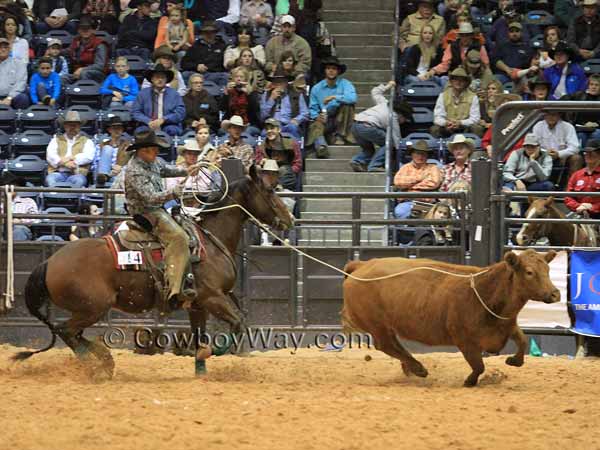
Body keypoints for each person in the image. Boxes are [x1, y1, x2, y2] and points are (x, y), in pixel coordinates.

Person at [123, 128, 200, 312]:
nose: (157, 152)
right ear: (143, 151)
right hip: (146, 213)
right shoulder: (134, 171)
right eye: (153, 149)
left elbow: (166, 170)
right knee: (178, 237)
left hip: (157, 209)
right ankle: (174, 291)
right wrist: (174, 192)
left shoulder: (152, 161)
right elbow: (150, 198)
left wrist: (186, 170)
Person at [306, 56, 357, 158]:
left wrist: (335, 97)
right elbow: (312, 108)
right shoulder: (317, 88)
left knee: (347, 105)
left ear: (338, 71)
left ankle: (340, 136)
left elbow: (353, 98)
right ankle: (321, 146)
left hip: (341, 117)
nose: (331, 71)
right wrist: (317, 116)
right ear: (325, 71)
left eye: (334, 69)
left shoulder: (345, 83)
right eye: (328, 68)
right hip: (326, 118)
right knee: (316, 124)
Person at [350, 80, 403, 172]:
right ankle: (374, 165)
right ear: (401, 115)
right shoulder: (393, 116)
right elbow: (396, 139)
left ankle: (357, 161)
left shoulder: (384, 103)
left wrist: (388, 85)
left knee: (368, 149)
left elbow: (375, 92)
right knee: (389, 143)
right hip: (367, 126)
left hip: (355, 125)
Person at [132, 63, 186, 136]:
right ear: (152, 79)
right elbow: (135, 112)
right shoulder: (142, 94)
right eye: (157, 77)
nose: (160, 80)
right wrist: (148, 121)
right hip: (147, 124)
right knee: (141, 131)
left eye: (162, 77)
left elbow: (180, 112)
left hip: (169, 124)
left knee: (172, 130)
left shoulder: (174, 94)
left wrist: (164, 119)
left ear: (166, 80)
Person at [393, 140, 443, 218]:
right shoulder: (405, 168)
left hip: (428, 203)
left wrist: (409, 186)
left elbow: (434, 183)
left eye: (423, 154)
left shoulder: (433, 167)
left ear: (427, 156)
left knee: (437, 214)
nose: (420, 157)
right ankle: (407, 230)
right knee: (399, 212)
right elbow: (398, 182)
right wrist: (421, 178)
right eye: (418, 153)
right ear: (412, 154)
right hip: (408, 202)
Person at [45, 110, 96, 187]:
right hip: (58, 173)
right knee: (50, 179)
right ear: (65, 126)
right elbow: (51, 156)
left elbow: (88, 157)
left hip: (77, 173)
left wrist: (72, 159)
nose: (72, 127)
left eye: (75, 125)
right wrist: (66, 163)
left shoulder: (87, 141)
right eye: (70, 125)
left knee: (79, 181)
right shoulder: (56, 139)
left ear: (79, 126)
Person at [431, 67, 482, 138]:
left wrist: (461, 123)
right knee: (435, 129)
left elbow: (475, 118)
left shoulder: (473, 97)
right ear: (451, 81)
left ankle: (475, 147)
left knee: (477, 128)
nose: (458, 82)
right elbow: (437, 117)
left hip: (465, 127)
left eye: (462, 80)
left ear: (466, 82)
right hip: (448, 127)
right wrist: (446, 123)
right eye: (455, 79)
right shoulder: (443, 95)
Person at [532, 111, 584, 181]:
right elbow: (533, 145)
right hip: (543, 156)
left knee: (577, 158)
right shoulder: (538, 126)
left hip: (563, 157)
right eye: (548, 114)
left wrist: (559, 154)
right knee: (531, 156)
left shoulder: (568, 126)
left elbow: (575, 147)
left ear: (559, 115)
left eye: (554, 114)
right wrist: (546, 153)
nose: (551, 117)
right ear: (544, 115)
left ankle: (571, 187)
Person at [254, 118, 302, 191]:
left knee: (284, 170)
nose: (269, 131)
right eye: (267, 129)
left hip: (287, 178)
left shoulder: (291, 143)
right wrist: (261, 162)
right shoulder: (261, 146)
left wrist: (286, 172)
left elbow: (298, 163)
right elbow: (257, 162)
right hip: (268, 176)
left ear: (279, 130)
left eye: (272, 128)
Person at [259, 70, 309, 140]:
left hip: (288, 124)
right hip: (272, 126)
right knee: (263, 133)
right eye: (276, 82)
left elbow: (305, 113)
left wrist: (296, 120)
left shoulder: (296, 94)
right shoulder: (266, 94)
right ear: (273, 84)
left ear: (286, 83)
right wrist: (271, 99)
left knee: (293, 128)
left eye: (281, 82)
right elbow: (262, 116)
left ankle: (297, 150)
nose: (278, 85)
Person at [180, 21, 229, 88]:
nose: (209, 35)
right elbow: (184, 63)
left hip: (215, 74)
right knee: (185, 74)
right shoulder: (195, 47)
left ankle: (222, 94)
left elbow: (226, 64)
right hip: (197, 74)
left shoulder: (222, 46)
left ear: (215, 33)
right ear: (202, 34)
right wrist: (196, 66)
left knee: (225, 76)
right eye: (206, 32)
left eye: (211, 32)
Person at [64, 15, 109, 84]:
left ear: (92, 30)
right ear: (78, 30)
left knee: (85, 73)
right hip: (77, 73)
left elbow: (100, 65)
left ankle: (85, 94)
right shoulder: (76, 41)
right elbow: (68, 51)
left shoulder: (99, 44)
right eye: (82, 28)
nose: (85, 30)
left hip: (96, 74)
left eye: (88, 28)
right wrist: (53, 52)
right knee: (62, 78)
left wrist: (82, 69)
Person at [221, 67, 262, 135]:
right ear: (233, 78)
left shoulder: (252, 92)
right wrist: (226, 94)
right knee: (222, 131)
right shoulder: (229, 91)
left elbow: (256, 109)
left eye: (241, 77)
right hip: (231, 123)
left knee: (244, 133)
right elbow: (222, 108)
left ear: (245, 79)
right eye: (236, 76)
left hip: (249, 124)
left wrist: (249, 94)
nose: (239, 79)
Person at [565, 139, 600, 219]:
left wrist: (593, 207)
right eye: (586, 153)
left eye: (591, 152)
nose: (588, 155)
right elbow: (568, 197)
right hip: (579, 214)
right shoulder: (576, 175)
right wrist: (579, 206)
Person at [564, 74, 600, 146]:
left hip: (597, 128)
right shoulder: (579, 95)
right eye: (591, 84)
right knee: (581, 135)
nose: (593, 87)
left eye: (596, 85)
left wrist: (597, 124)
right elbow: (564, 98)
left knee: (597, 134)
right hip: (580, 128)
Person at [95, 116, 132, 187]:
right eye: (114, 128)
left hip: (120, 175)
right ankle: (104, 176)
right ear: (109, 130)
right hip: (101, 176)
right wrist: (110, 169)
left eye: (119, 128)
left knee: (118, 178)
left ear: (122, 130)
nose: (117, 130)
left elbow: (132, 164)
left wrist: (121, 169)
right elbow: (95, 164)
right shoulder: (100, 146)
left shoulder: (129, 146)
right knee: (107, 148)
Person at [0, 37, 29, 109]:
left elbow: (21, 83)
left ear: (10, 49)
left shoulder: (19, 63)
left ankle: (19, 120)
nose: (3, 49)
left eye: (5, 47)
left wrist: (9, 98)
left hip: (12, 96)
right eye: (0, 47)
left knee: (23, 98)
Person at [8, 177, 39, 241]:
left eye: (15, 186)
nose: (11, 188)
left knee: (18, 230)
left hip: (20, 228)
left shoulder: (29, 201)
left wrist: (21, 221)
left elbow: (35, 219)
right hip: (3, 227)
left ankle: (16, 250)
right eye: (9, 185)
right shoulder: (2, 201)